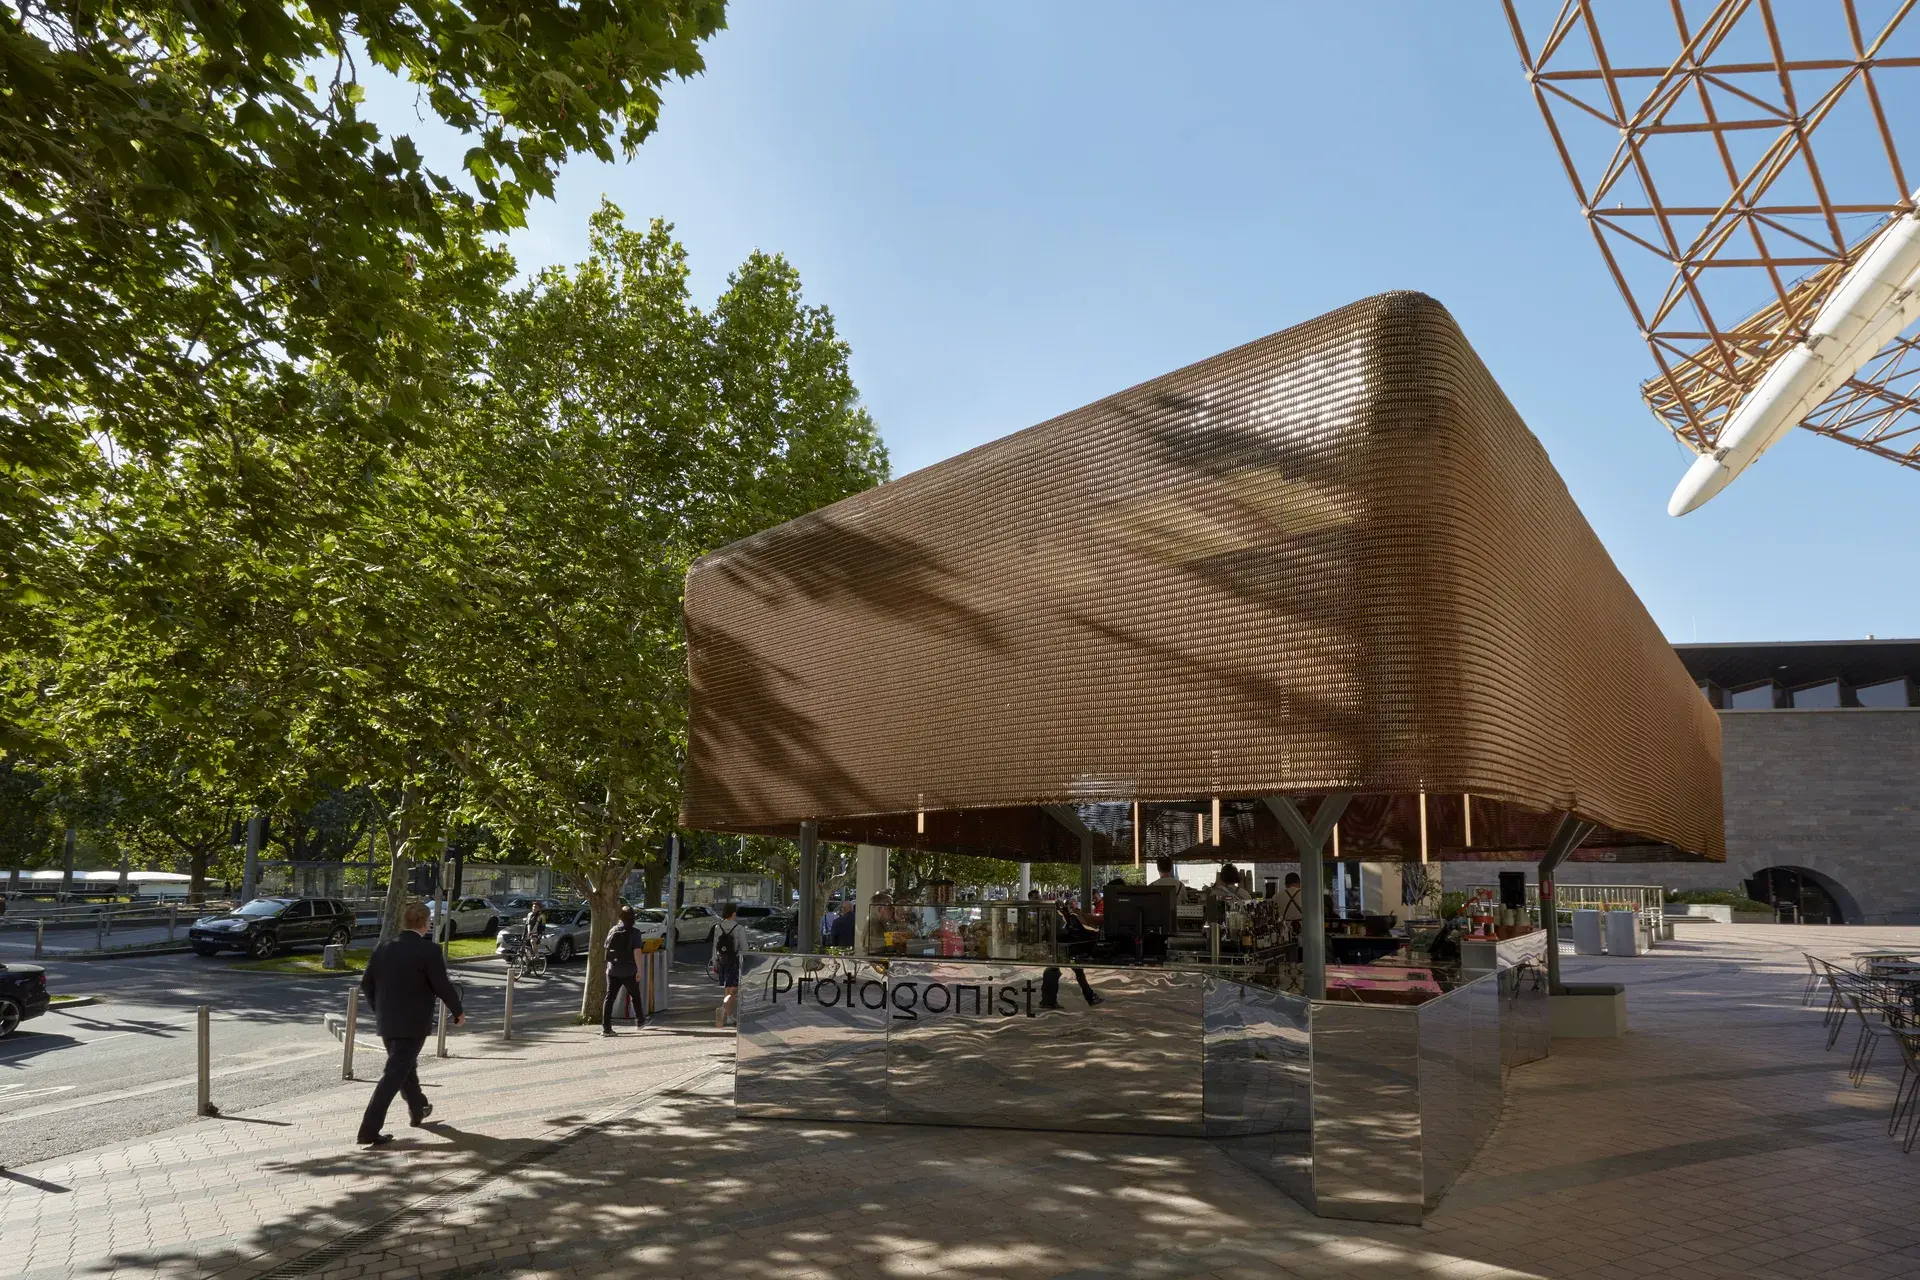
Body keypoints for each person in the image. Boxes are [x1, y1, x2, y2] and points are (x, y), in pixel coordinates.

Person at [356, 901, 464, 1146]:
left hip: (388, 1021)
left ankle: (418, 1109)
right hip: (413, 1023)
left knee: (405, 1067)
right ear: (426, 924)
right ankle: (368, 1129)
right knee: (394, 1073)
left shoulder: (383, 948)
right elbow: (442, 985)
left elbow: (366, 984)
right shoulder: (429, 951)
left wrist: (379, 1009)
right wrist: (458, 1011)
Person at [601, 905, 647, 1036]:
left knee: (609, 998)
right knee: (635, 995)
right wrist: (639, 970)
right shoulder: (635, 933)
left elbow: (607, 948)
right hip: (629, 970)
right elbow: (637, 952)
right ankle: (640, 1021)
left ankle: (606, 1028)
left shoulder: (613, 930)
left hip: (612, 970)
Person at [712, 902, 747, 1027]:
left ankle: (730, 1017)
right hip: (735, 960)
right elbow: (744, 947)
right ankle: (722, 1010)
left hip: (722, 960)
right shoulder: (738, 928)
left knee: (727, 989)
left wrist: (714, 961)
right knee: (734, 990)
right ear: (733, 913)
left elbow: (715, 946)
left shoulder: (718, 927)